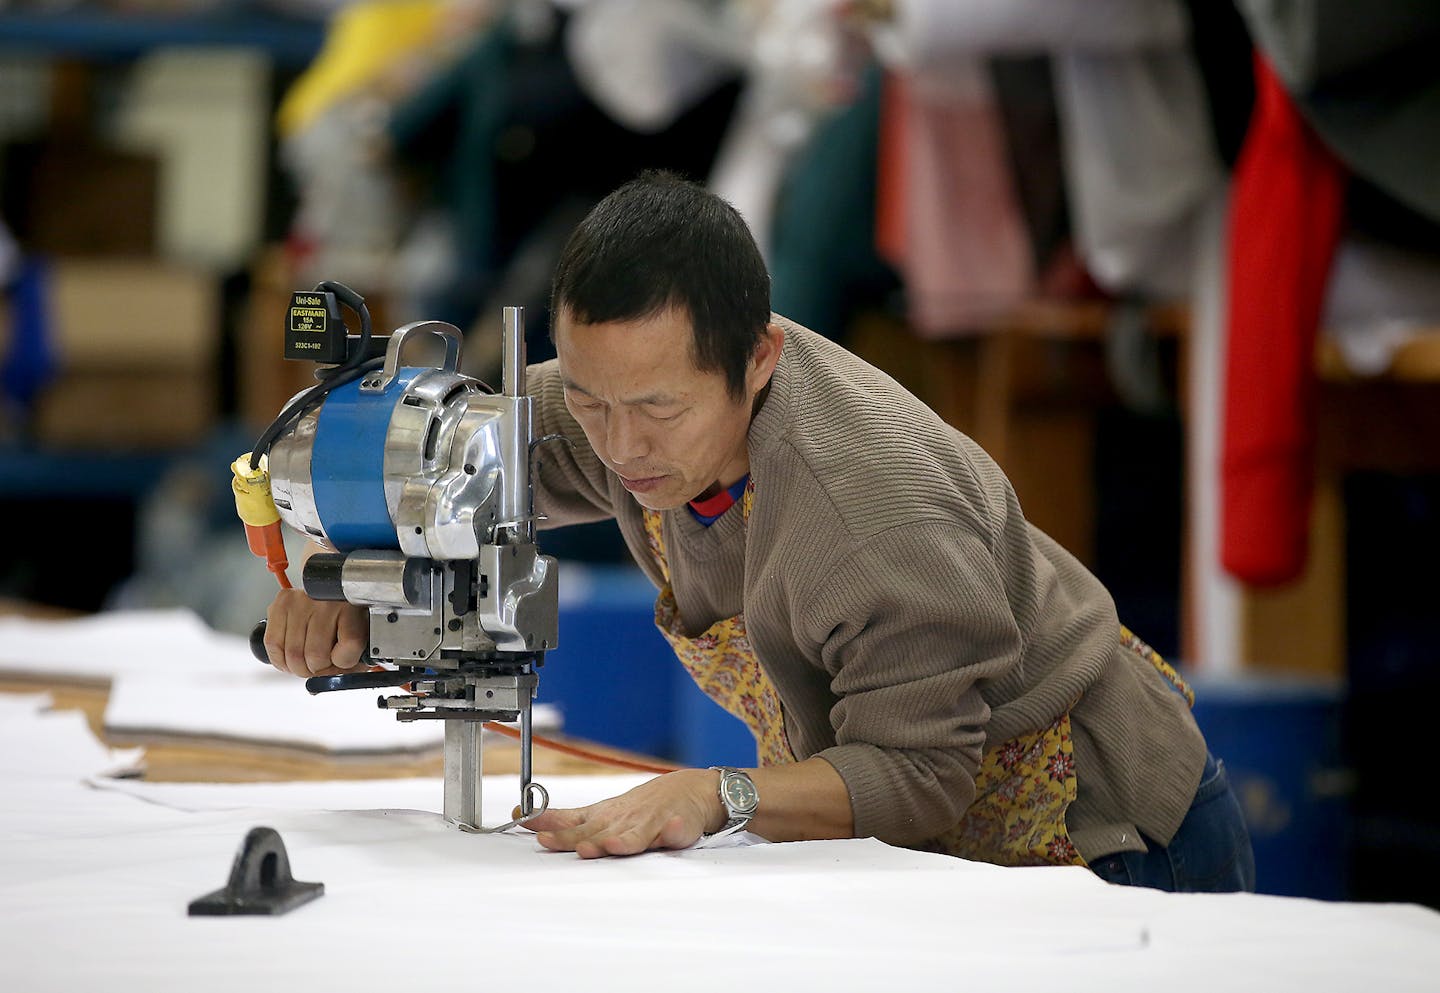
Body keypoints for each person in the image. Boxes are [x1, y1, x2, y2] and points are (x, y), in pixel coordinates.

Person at [263, 171, 1255, 892]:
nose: (619, 446)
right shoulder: (627, 406)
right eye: (592, 401)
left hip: (1104, 844)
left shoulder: (871, 514)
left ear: (760, 357)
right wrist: (340, 572)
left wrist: (718, 795)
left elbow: (917, 776)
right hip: (927, 852)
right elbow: (459, 473)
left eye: (657, 408)